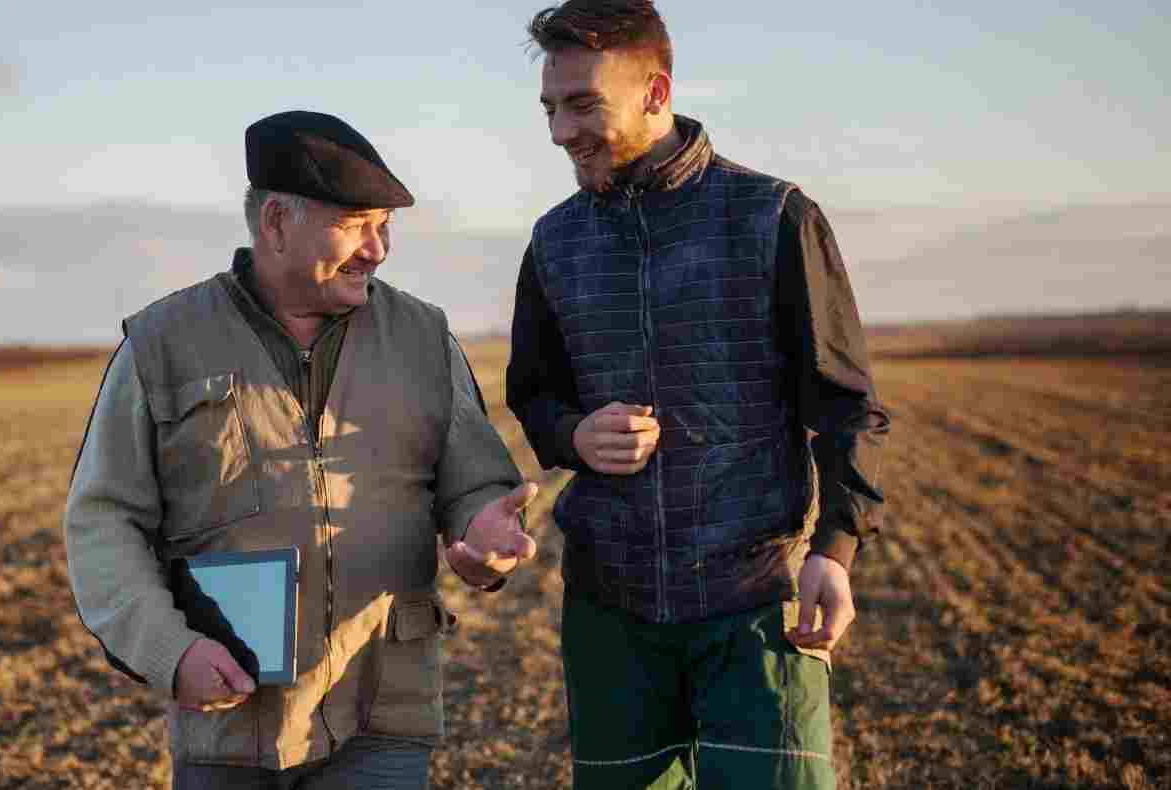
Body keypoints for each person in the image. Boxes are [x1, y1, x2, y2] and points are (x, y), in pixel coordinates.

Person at [65, 109, 537, 789]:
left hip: (383, 708)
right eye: (355, 226)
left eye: (385, 227)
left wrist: (485, 529)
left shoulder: (424, 337)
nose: (378, 250)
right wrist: (170, 651)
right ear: (277, 223)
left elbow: (475, 484)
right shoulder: (161, 343)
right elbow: (102, 521)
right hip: (229, 716)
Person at [505, 2, 891, 788]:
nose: (559, 131)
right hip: (610, 613)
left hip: (755, 603)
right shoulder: (555, 241)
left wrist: (837, 548)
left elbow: (845, 403)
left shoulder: (774, 216)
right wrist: (576, 436)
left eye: (582, 104)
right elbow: (534, 396)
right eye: (550, 107)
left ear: (656, 92)